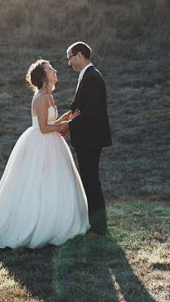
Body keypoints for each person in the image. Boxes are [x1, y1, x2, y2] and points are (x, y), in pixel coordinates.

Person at [0, 60, 89, 248]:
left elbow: (51, 120)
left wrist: (67, 118)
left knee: (56, 181)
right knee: (37, 183)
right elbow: (44, 127)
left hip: (53, 143)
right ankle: (38, 224)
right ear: (43, 77)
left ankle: (58, 221)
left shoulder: (49, 96)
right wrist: (66, 125)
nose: (55, 70)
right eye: (50, 69)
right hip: (41, 142)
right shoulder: (39, 98)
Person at [57, 41, 112, 239]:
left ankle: (99, 229)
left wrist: (70, 126)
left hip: (90, 140)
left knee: (91, 182)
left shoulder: (92, 78)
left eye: (70, 58)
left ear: (79, 55)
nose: (69, 63)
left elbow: (90, 112)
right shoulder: (87, 77)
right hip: (86, 139)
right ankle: (96, 226)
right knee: (90, 181)